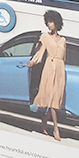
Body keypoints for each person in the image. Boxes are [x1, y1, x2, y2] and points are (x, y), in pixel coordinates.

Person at [27, 10, 67, 141]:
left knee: (56, 99)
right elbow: (40, 52)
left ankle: (44, 120)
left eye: (51, 21)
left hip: (60, 69)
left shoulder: (63, 40)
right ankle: (56, 128)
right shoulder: (44, 37)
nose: (49, 24)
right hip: (49, 68)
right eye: (47, 22)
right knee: (51, 99)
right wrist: (33, 61)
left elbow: (64, 57)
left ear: (57, 22)